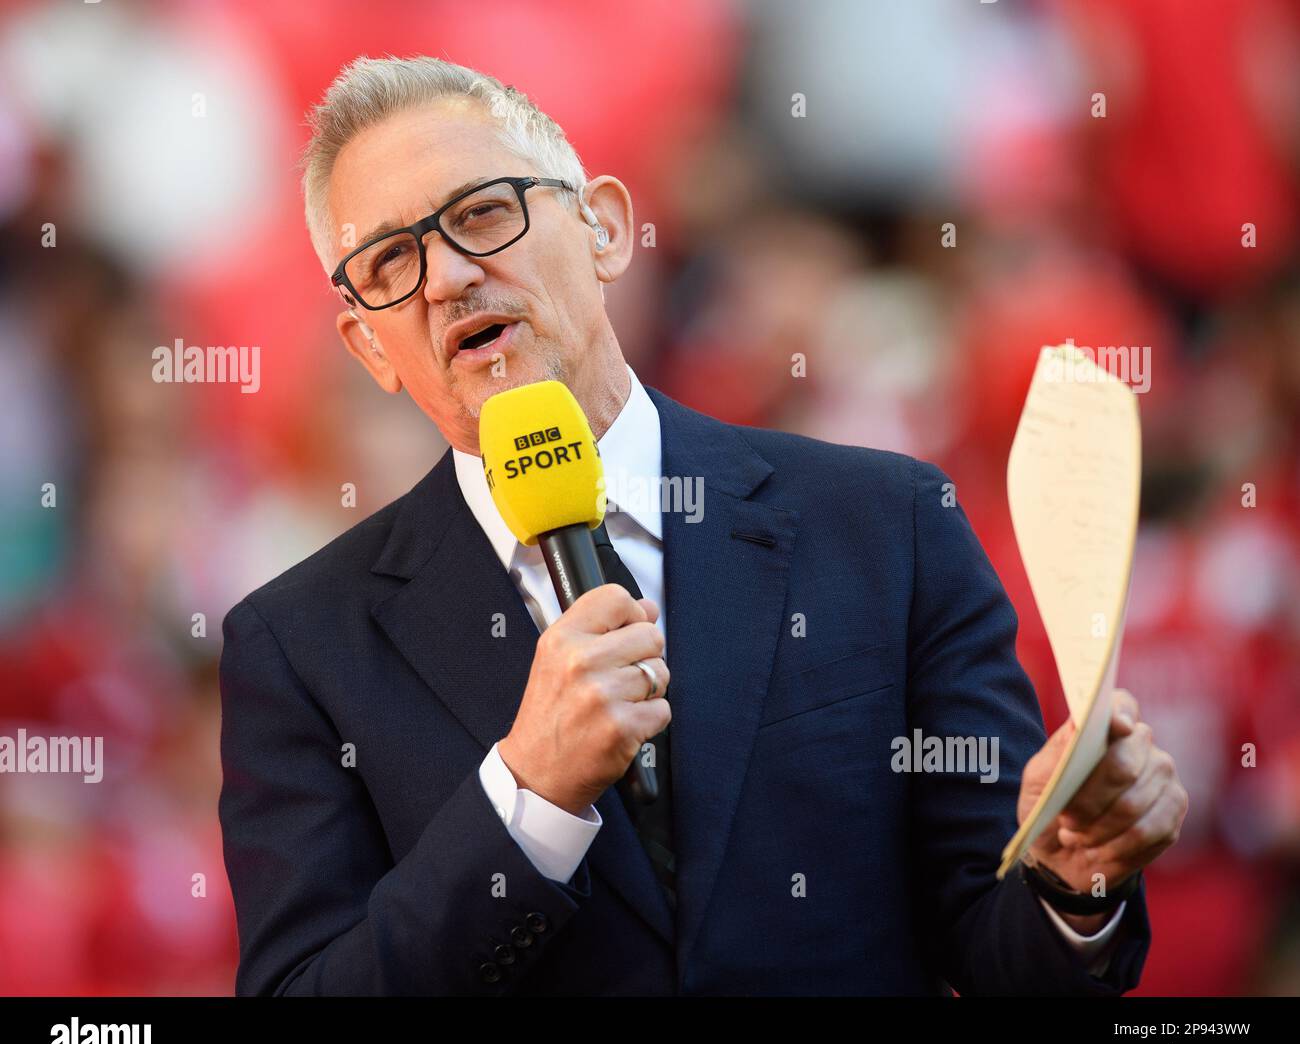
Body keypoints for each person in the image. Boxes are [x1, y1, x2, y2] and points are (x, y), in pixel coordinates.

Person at [217, 55, 1187, 996]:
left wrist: (1075, 876)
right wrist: (526, 801)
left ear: (603, 228)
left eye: (481, 213)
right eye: (390, 260)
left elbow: (997, 944)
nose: (446, 278)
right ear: (367, 347)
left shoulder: (887, 528)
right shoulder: (299, 649)